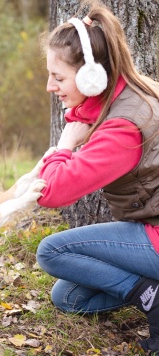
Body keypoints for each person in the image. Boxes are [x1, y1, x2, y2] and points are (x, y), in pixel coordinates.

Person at [36, 0, 159, 354]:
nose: (49, 86)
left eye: (58, 77)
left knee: (53, 251)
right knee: (70, 295)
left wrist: (66, 142)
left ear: (93, 75)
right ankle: (146, 287)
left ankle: (152, 297)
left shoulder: (121, 127)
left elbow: (53, 192)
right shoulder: (134, 94)